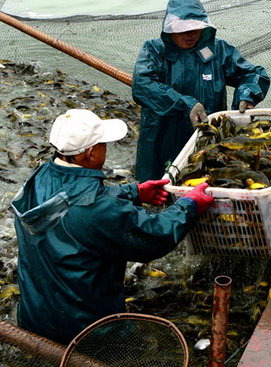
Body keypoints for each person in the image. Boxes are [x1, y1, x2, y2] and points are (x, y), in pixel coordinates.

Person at [12, 108, 214, 344]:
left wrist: (132, 192)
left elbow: (74, 200)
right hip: (84, 331)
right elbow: (154, 235)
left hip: (34, 319)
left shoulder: (40, 176)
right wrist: (189, 205)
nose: (106, 149)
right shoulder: (97, 209)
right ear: (90, 154)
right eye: (103, 145)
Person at [132, 0, 270, 182]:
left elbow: (254, 74)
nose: (189, 35)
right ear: (170, 28)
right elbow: (142, 85)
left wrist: (247, 94)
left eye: (194, 28)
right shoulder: (154, 51)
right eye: (182, 29)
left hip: (208, 139)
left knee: (208, 183)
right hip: (161, 139)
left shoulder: (218, 51)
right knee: (157, 188)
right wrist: (186, 104)